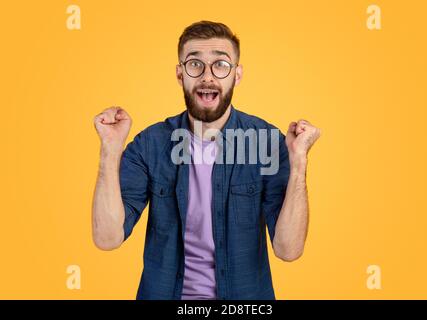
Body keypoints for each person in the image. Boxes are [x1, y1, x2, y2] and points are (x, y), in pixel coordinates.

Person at [92, 20, 321, 300]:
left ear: (236, 75)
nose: (207, 76)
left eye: (221, 65)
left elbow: (288, 250)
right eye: (195, 64)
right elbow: (107, 238)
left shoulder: (267, 143)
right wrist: (110, 149)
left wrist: (298, 163)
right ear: (180, 75)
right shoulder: (150, 145)